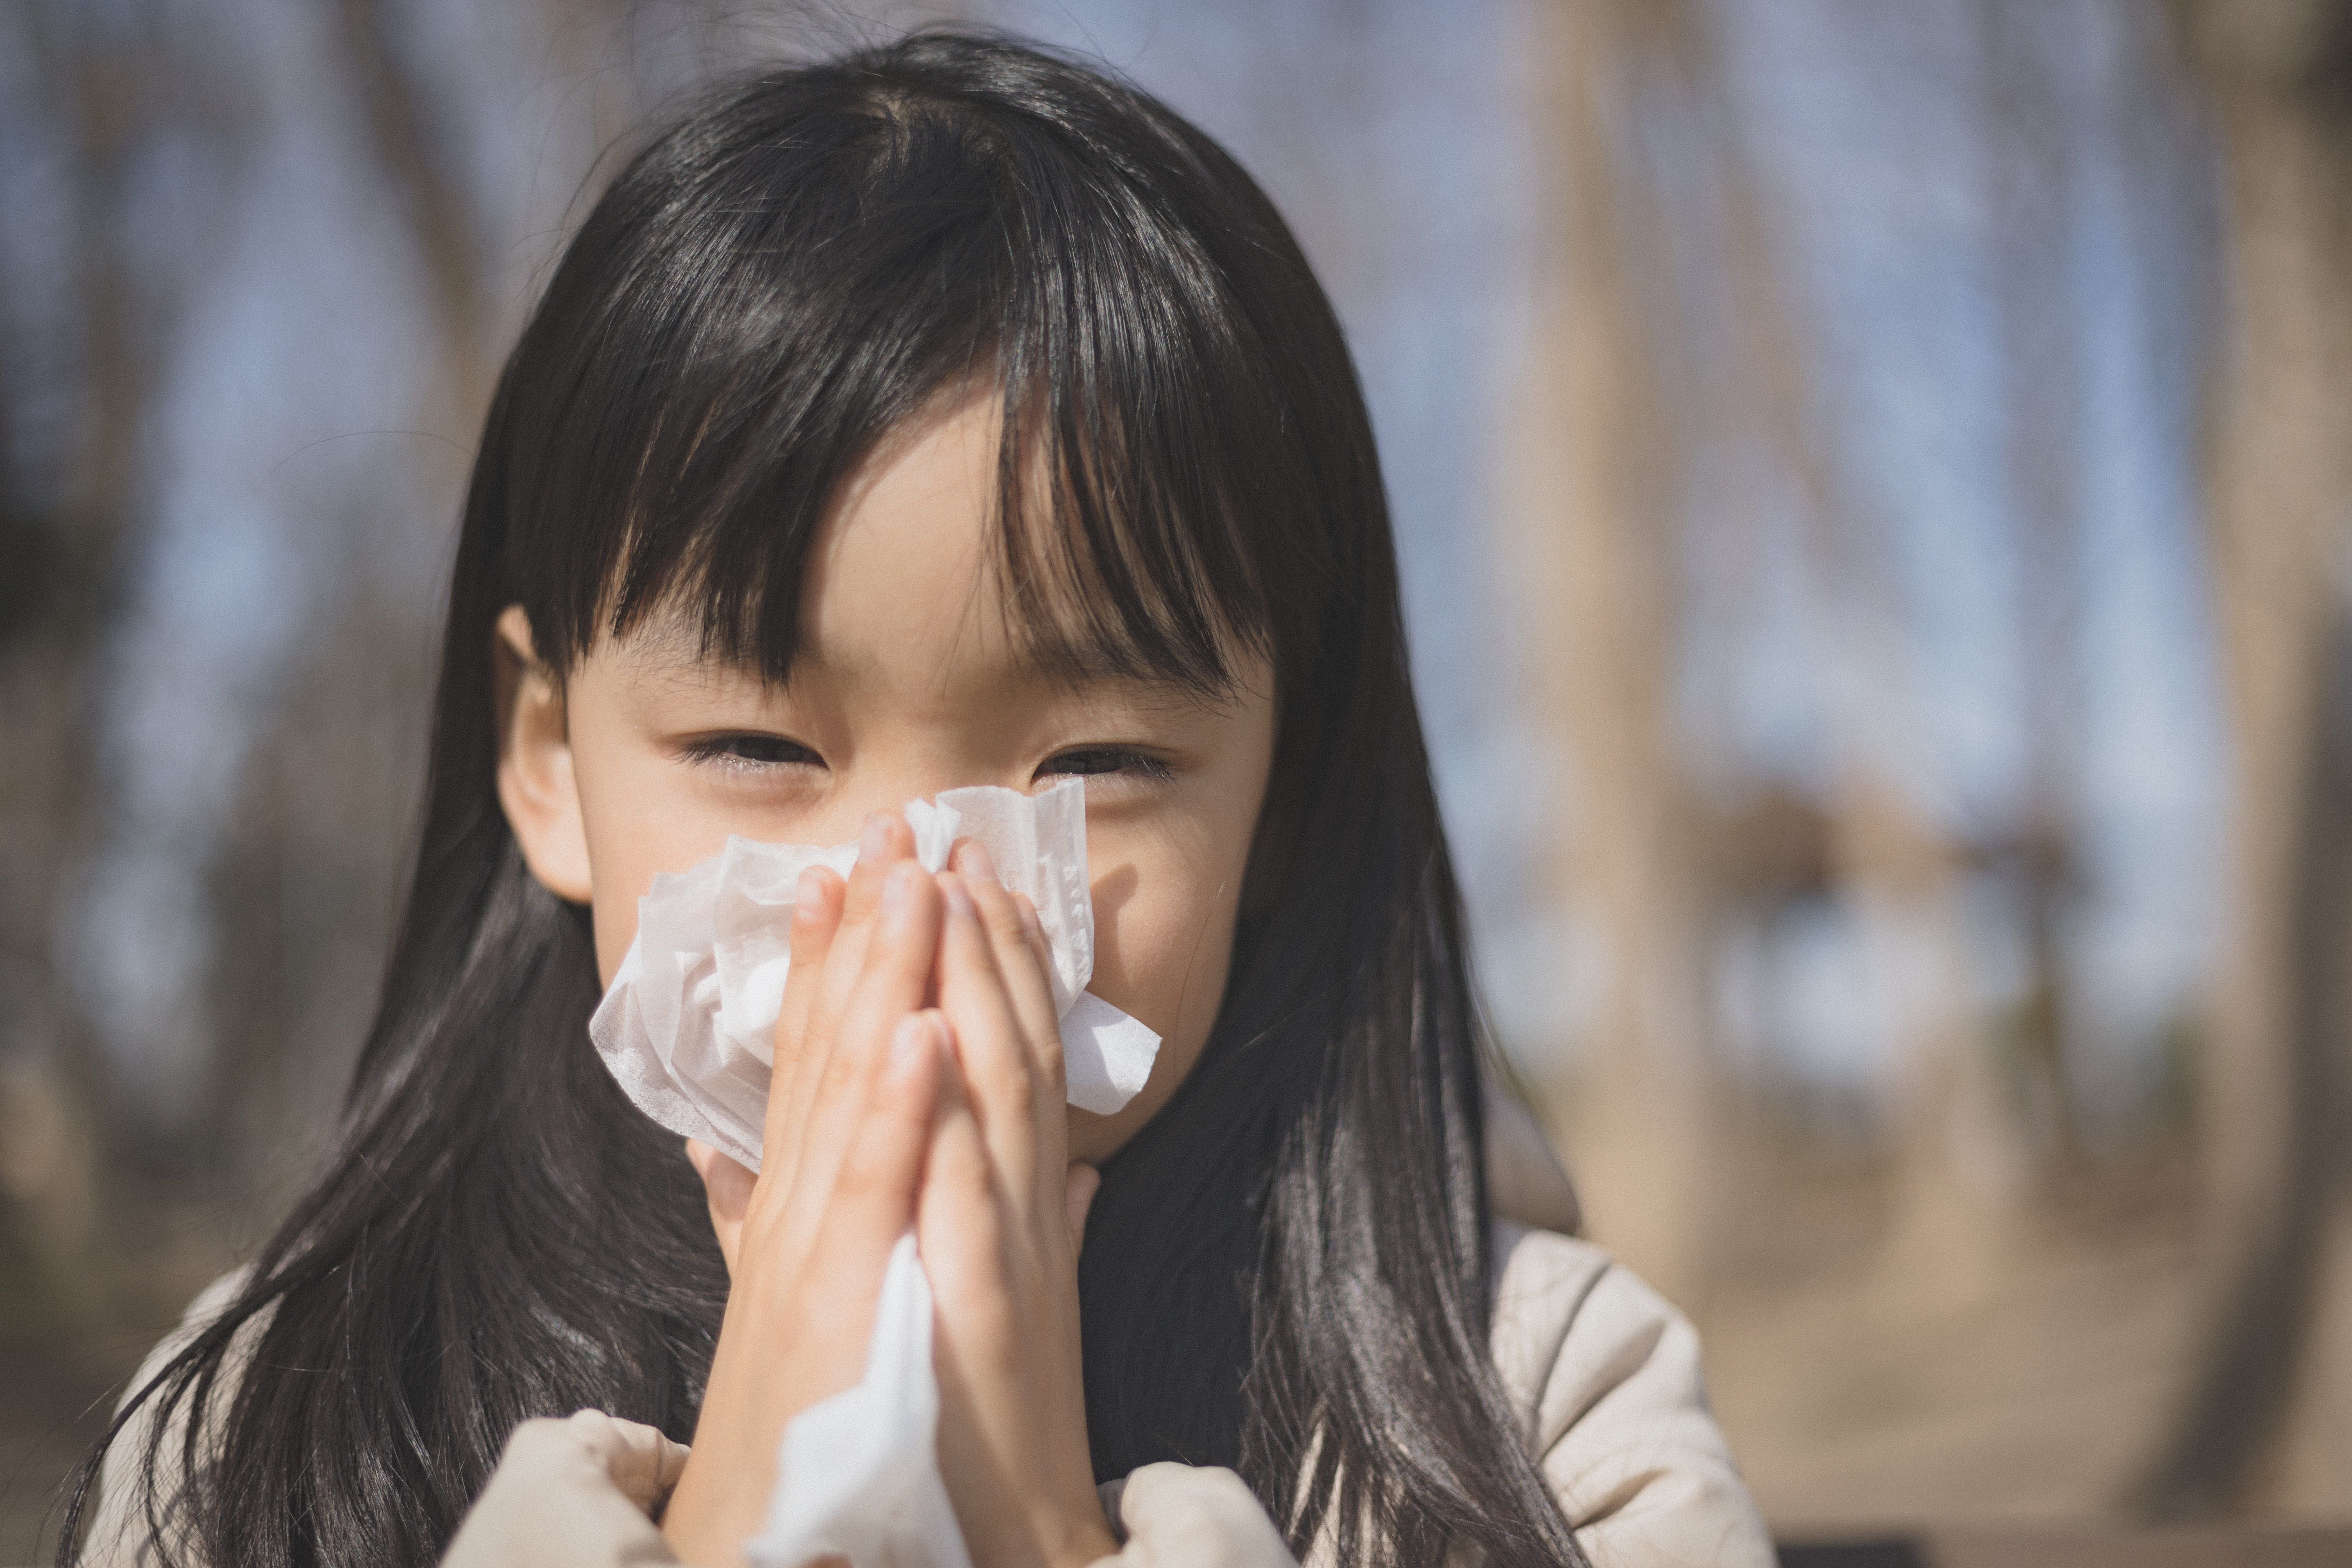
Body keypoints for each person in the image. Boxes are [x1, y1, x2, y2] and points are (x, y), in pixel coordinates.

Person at [66, 30, 1772, 1568]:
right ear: (545, 760)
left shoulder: (1527, 1408)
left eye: (1093, 764)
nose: (918, 893)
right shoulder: (268, 1427)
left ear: (1284, 802)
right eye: (759, 749)